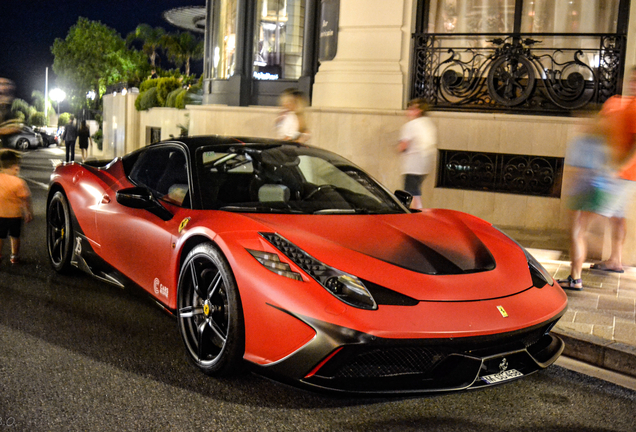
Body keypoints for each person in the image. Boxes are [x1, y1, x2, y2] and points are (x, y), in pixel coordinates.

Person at [588, 67, 636, 274]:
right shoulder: (622, 103)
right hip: (618, 172)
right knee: (616, 217)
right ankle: (615, 259)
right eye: (633, 78)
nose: (633, 82)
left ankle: (580, 257)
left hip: (622, 174)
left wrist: (619, 168)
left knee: (592, 214)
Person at [557, 129, 610, 290]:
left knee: (576, 234)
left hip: (583, 190)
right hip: (598, 190)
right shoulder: (605, 142)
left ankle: (575, 278)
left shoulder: (582, 141)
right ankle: (575, 276)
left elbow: (574, 170)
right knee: (581, 234)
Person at [397, 98, 437, 209]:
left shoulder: (411, 125)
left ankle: (417, 216)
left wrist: (398, 149)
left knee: (412, 193)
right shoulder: (428, 123)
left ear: (418, 110)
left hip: (412, 165)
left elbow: (403, 145)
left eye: (411, 109)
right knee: (415, 191)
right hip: (425, 165)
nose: (408, 111)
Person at [0, 149, 33, 265]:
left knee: (0, 236)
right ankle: (14, 256)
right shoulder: (19, 182)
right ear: (15, 167)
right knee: (15, 237)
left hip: (0, 214)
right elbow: (25, 199)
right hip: (15, 216)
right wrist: (27, 212)